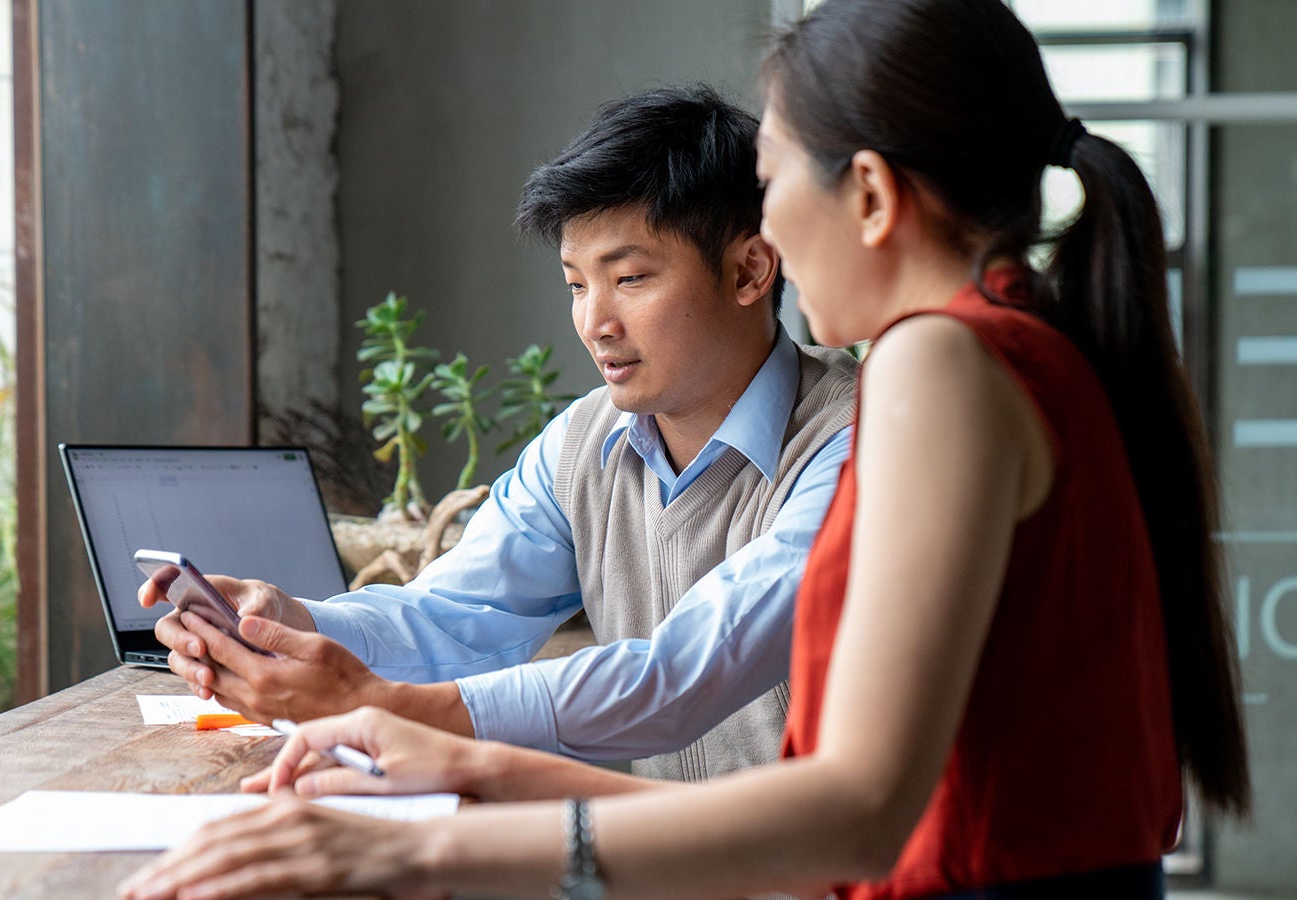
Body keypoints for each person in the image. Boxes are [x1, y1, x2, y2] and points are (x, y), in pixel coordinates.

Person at [118, 1, 1252, 898]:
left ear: (866, 194)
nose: (771, 235)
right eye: (578, 284)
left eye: (770, 183)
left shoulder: (932, 368)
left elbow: (848, 815)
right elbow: (850, 818)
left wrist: (413, 852)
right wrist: (455, 756)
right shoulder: (1020, 349)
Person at [141, 84, 858, 780]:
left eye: (631, 278)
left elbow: (684, 673)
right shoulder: (585, 442)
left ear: (749, 270)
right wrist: (292, 627)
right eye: (576, 283)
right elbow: (454, 616)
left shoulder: (853, 441)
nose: (594, 323)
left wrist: (380, 704)